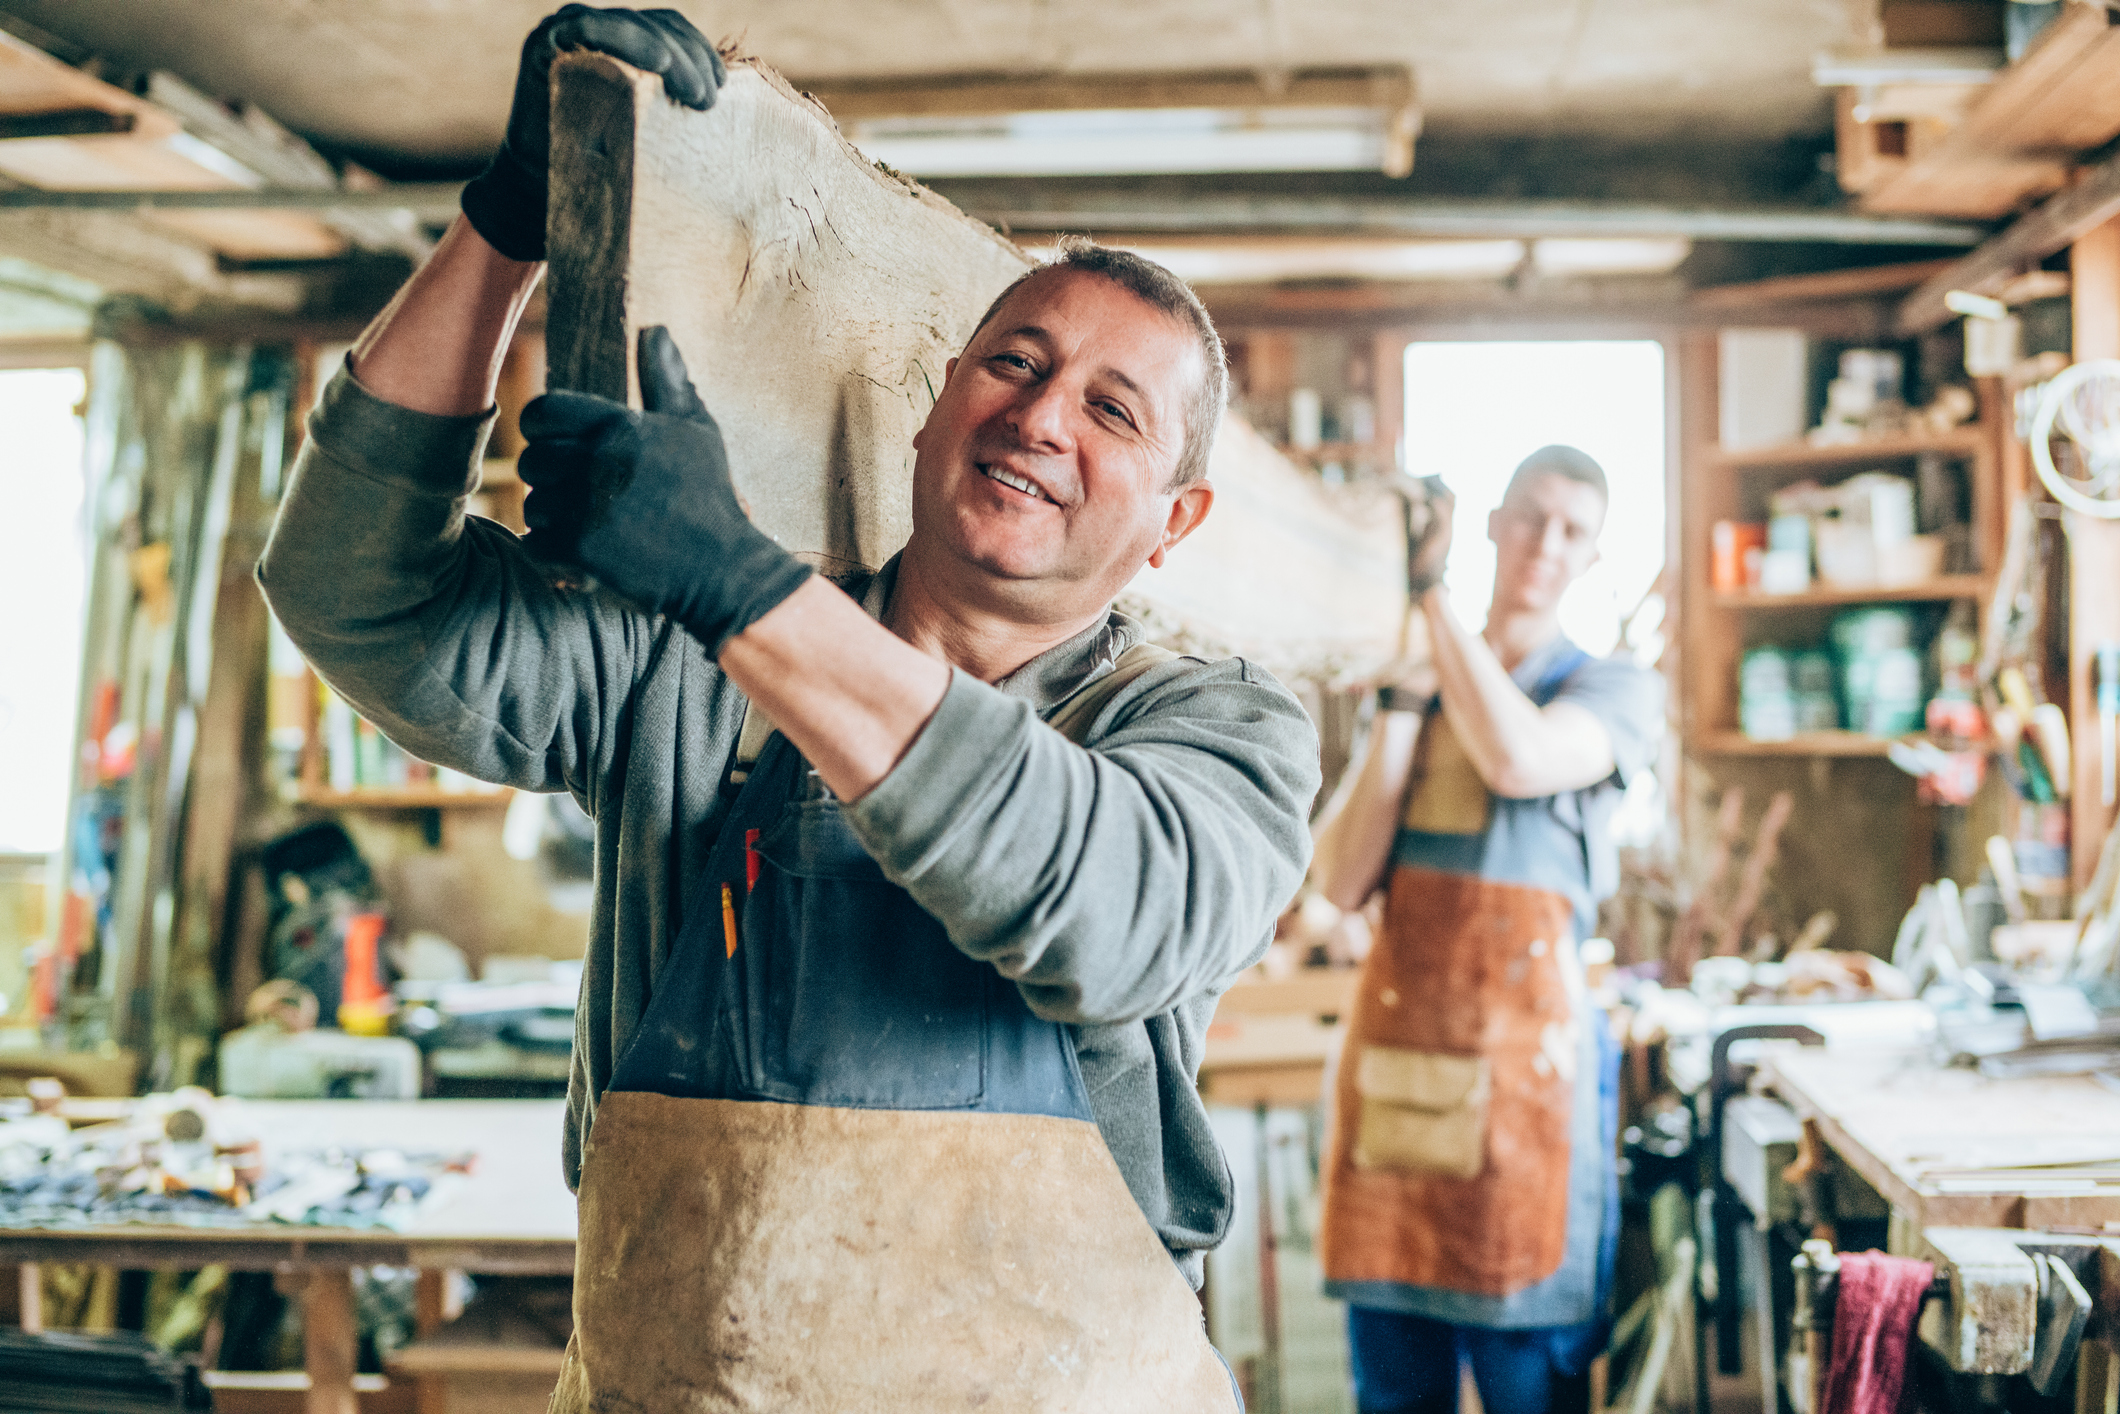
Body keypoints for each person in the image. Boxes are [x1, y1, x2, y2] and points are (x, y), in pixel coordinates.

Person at [258, 7, 1317, 1408]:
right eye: (1014, 361)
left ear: (1174, 524)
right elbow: (353, 590)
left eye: (1114, 411)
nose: (1045, 414)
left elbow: (1105, 915)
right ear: (936, 408)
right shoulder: (681, 664)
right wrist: (511, 224)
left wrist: (742, 585)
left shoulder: (1215, 726)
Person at [1310, 448, 1664, 1414]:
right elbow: (1340, 883)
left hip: (1524, 1099)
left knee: (1527, 1388)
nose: (1547, 545)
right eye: (1532, 518)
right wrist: (1404, 703)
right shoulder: (1429, 681)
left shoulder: (1614, 691)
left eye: (1574, 531)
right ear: (1496, 525)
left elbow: (1517, 758)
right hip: (1399, 1089)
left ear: (1592, 558)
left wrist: (1430, 602)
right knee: (1394, 1395)